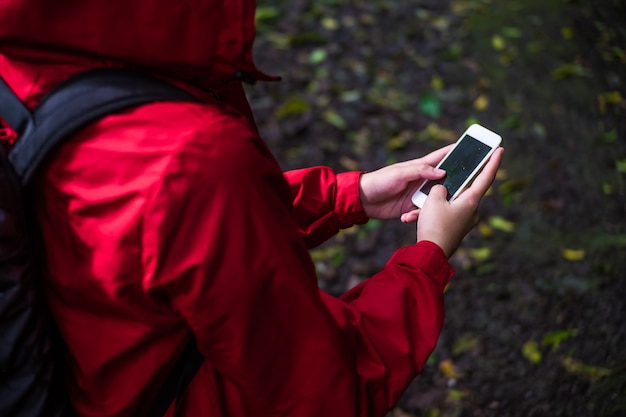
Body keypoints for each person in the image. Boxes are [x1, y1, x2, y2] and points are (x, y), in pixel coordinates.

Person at [0, 0, 503, 416]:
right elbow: (326, 395)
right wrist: (427, 258)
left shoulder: (24, 62)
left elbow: (143, 229)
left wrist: (349, 194)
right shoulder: (192, 158)